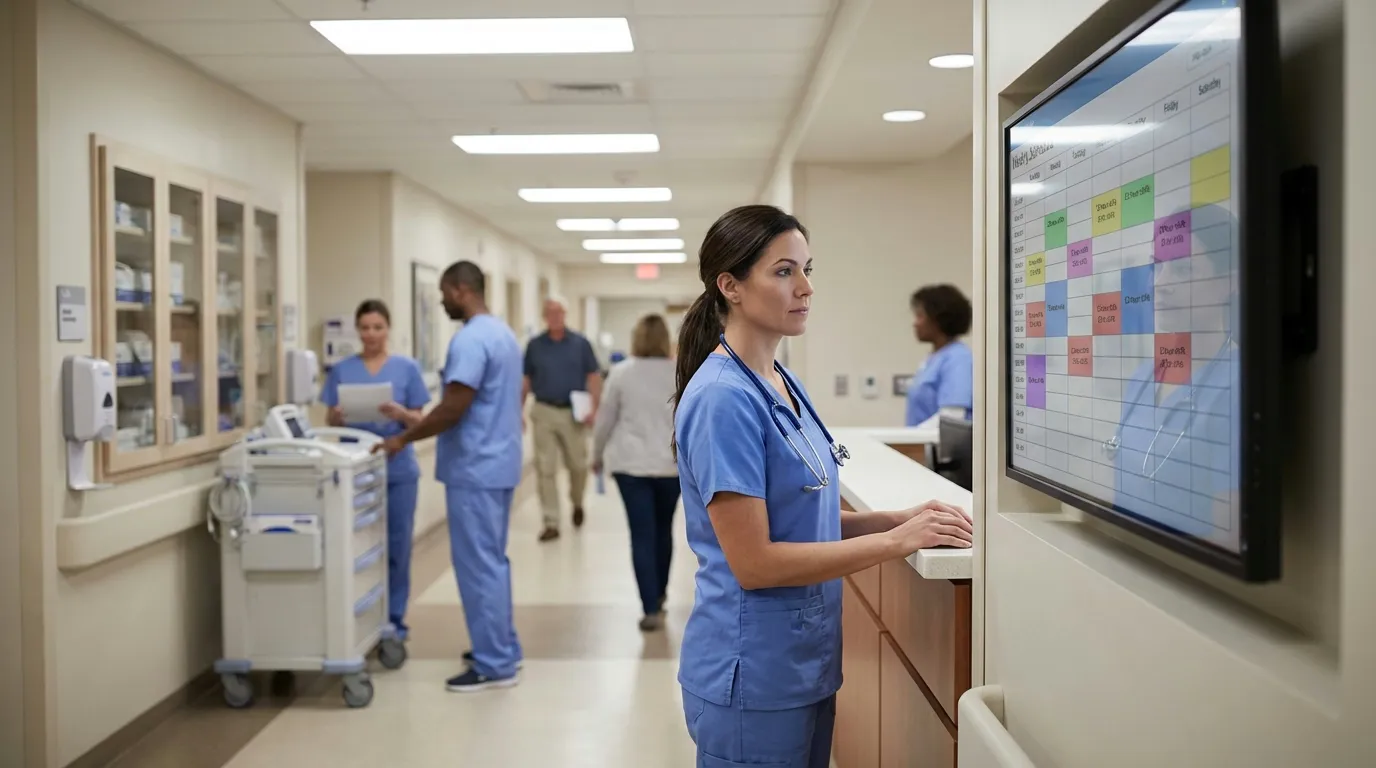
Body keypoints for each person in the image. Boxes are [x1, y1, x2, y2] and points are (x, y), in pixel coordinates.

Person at [672, 204, 974, 766]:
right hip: (753, 675)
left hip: (803, 663)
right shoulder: (722, 399)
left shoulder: (780, 380)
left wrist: (896, 520)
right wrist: (892, 545)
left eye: (808, 269)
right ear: (730, 285)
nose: (806, 287)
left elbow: (799, 516)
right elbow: (754, 562)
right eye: (784, 271)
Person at [376, 261, 524, 693]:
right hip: (497, 464)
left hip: (476, 468)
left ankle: (495, 664)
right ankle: (502, 648)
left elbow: (454, 408)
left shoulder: (471, 340)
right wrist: (413, 418)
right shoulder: (502, 334)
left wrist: (403, 438)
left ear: (461, 290)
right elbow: (476, 404)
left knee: (478, 567)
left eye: (444, 293)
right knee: (492, 563)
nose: (441, 301)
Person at [319, 300, 429, 643]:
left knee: (397, 546)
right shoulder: (342, 370)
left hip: (398, 469)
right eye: (364, 328)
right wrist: (336, 417)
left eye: (377, 327)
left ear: (388, 330)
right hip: (355, 469)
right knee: (356, 546)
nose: (371, 335)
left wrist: (399, 413)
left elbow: (421, 421)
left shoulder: (406, 368)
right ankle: (359, 614)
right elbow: (329, 420)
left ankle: (394, 618)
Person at [590, 314, 680, 632]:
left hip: (631, 468)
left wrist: (596, 455)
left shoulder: (621, 372)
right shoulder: (679, 372)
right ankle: (660, 596)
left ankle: (649, 608)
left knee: (641, 535)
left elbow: (605, 419)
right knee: (663, 531)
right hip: (671, 467)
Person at [523, 297, 602, 542]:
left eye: (558, 313)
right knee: (545, 469)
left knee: (578, 466)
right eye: (550, 313)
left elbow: (594, 376)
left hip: (573, 412)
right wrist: (518, 411)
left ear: (565, 315)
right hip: (544, 409)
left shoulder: (580, 344)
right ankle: (551, 522)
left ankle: (577, 503)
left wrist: (595, 408)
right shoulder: (535, 345)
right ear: (544, 317)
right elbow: (526, 380)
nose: (555, 317)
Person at [906, 284, 975, 426]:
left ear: (938, 319)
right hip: (920, 443)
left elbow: (952, 417)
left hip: (936, 446)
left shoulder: (958, 358)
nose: (915, 324)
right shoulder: (935, 358)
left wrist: (910, 439)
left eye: (920, 316)